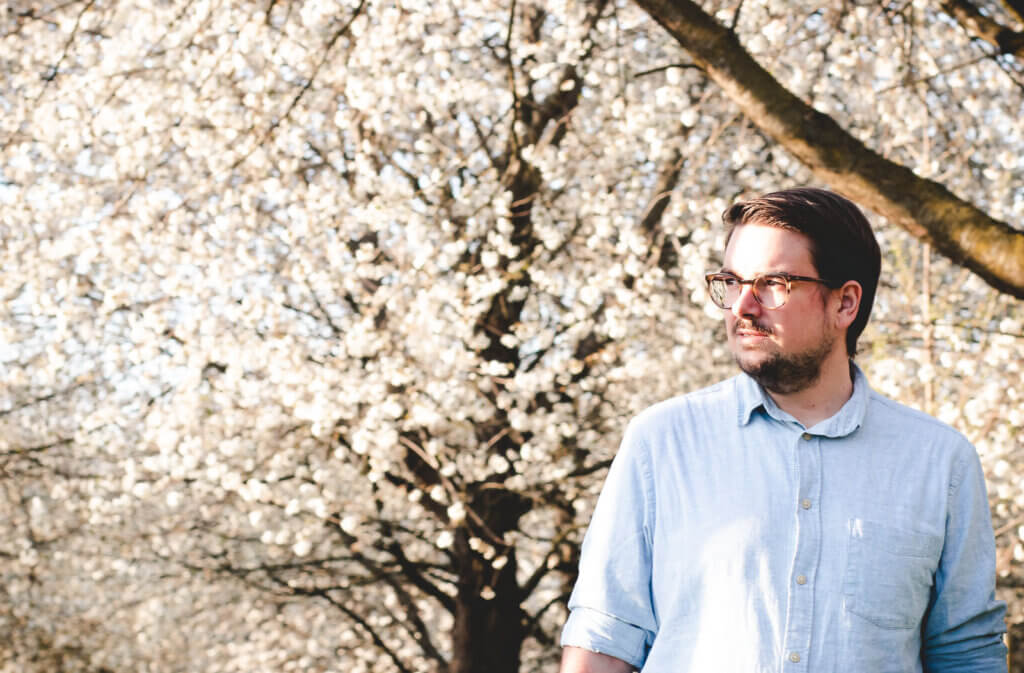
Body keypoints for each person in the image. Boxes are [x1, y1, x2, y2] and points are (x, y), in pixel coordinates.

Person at [559, 188, 1007, 672]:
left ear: (845, 303)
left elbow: (966, 654)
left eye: (772, 283)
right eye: (731, 282)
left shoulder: (940, 462)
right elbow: (603, 642)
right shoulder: (661, 443)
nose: (742, 306)